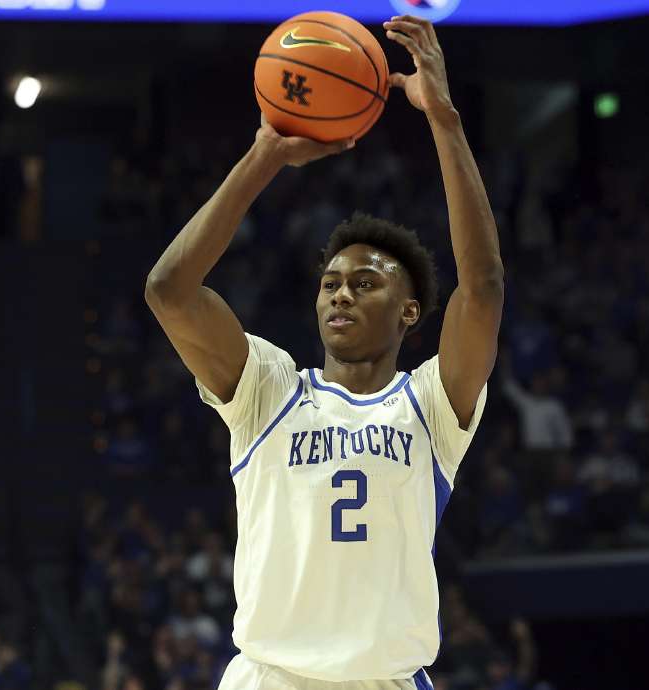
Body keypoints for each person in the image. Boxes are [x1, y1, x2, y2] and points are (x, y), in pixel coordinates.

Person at [144, 15, 503, 690]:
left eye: (365, 283)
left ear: (408, 312)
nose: (340, 294)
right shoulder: (269, 389)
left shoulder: (431, 405)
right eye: (330, 283)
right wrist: (265, 156)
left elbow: (482, 290)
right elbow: (169, 290)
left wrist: (445, 122)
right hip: (271, 678)